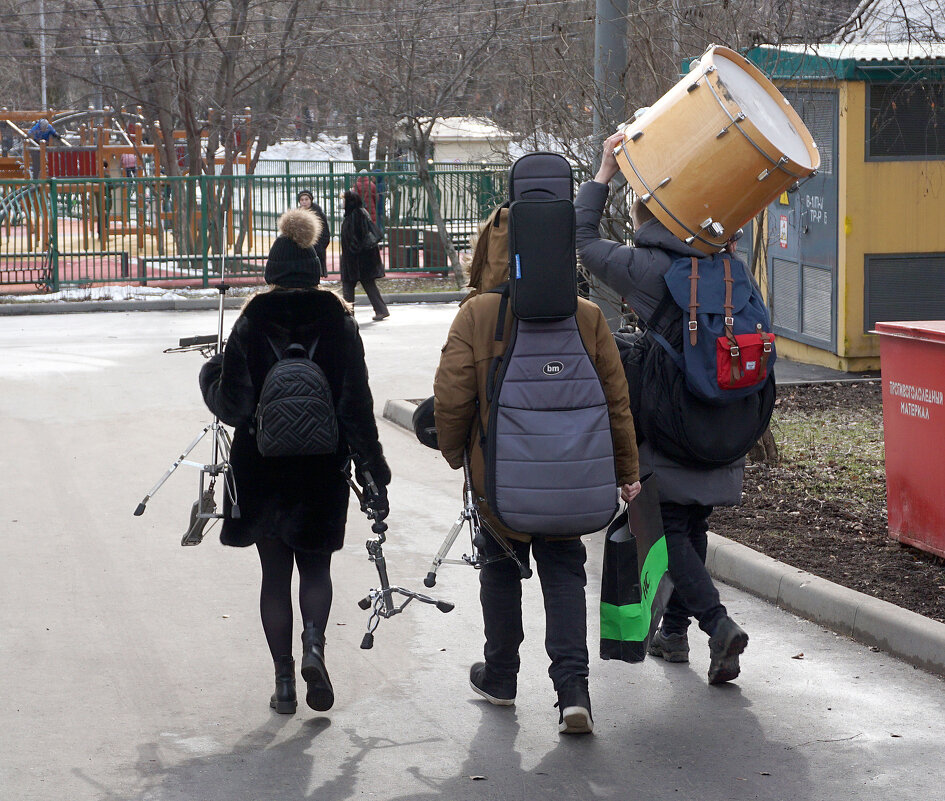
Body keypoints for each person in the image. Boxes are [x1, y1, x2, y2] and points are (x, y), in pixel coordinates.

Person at [434, 205, 641, 734]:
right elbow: (616, 401)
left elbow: (452, 400)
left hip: (500, 482)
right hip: (570, 481)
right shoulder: (587, 316)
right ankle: (574, 691)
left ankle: (501, 675)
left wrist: (461, 457)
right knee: (564, 569)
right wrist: (626, 470)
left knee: (501, 566)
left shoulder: (477, 315)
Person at [199, 208, 391, 714]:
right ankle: (314, 647)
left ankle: (284, 682)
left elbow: (233, 407)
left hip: (261, 469)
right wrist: (375, 473)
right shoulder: (339, 320)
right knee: (316, 569)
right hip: (322, 468)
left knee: (273, 574)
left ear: (272, 269)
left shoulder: (250, 320)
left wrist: (212, 373)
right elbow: (357, 407)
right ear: (314, 268)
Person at [575, 132, 749, 685]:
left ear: (644, 214)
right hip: (728, 417)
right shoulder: (729, 263)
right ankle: (674, 634)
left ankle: (718, 625)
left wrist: (604, 170)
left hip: (674, 421)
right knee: (691, 517)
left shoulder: (645, 268)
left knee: (668, 529)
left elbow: (578, 238)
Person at [340, 189, 389, 321]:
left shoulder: (356, 215)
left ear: (350, 202)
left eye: (344, 200)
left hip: (357, 260)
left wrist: (351, 252)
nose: (342, 202)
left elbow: (358, 237)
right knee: (366, 284)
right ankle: (380, 310)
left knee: (349, 286)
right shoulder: (356, 213)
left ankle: (348, 314)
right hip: (361, 260)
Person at [297, 189, 331, 278]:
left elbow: (325, 233)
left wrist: (320, 246)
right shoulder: (296, 215)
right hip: (300, 249)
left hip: (316, 247)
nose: (304, 202)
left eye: (306, 199)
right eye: (302, 200)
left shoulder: (319, 214)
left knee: (315, 274)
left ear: (311, 200)